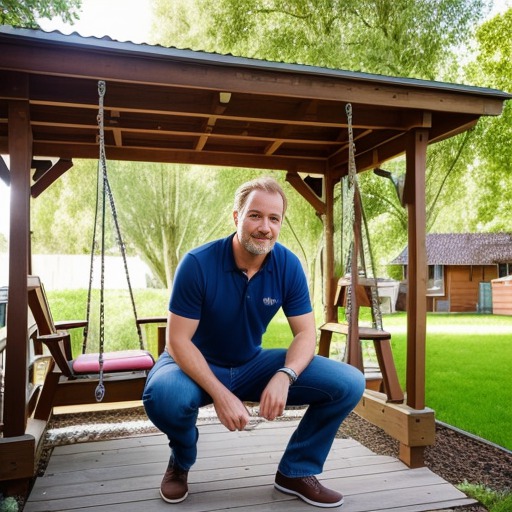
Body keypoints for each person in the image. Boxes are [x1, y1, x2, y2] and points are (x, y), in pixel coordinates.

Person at [143, 177, 365, 508]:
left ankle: (296, 471)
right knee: (164, 396)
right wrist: (221, 394)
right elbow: (177, 341)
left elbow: (306, 334)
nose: (265, 227)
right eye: (255, 216)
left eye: (274, 218)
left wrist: (285, 375)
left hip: (250, 363)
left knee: (349, 382)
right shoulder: (198, 264)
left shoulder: (287, 265)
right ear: (237, 217)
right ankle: (181, 459)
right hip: (191, 364)